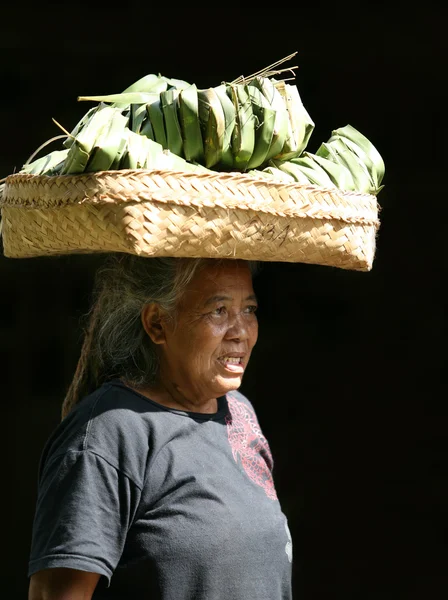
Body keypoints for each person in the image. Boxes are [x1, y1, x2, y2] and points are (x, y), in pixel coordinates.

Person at [27, 253, 293, 600]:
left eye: (249, 310)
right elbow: (55, 594)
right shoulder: (111, 432)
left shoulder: (240, 413)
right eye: (218, 311)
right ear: (157, 324)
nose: (241, 332)